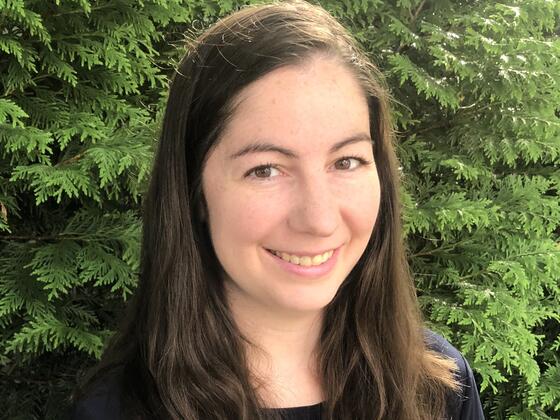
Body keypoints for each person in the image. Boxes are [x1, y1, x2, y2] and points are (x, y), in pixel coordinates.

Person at [70, 1, 484, 419]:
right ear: (193, 191)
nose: (319, 220)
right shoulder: (112, 411)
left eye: (346, 161)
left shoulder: (440, 389)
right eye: (265, 170)